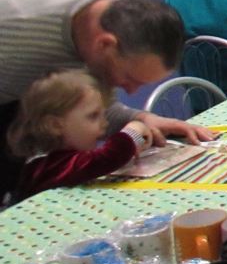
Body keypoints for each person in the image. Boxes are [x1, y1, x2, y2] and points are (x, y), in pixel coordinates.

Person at [0, 0, 208, 205]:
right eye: (129, 78)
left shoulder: (126, 9)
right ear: (105, 44)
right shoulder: (16, 29)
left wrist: (140, 118)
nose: (132, 92)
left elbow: (83, 98)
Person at [8, 70, 161, 202]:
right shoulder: (47, 166)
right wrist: (134, 131)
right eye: (93, 116)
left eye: (103, 114)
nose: (104, 123)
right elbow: (107, 157)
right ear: (56, 125)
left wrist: (138, 142)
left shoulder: (68, 157)